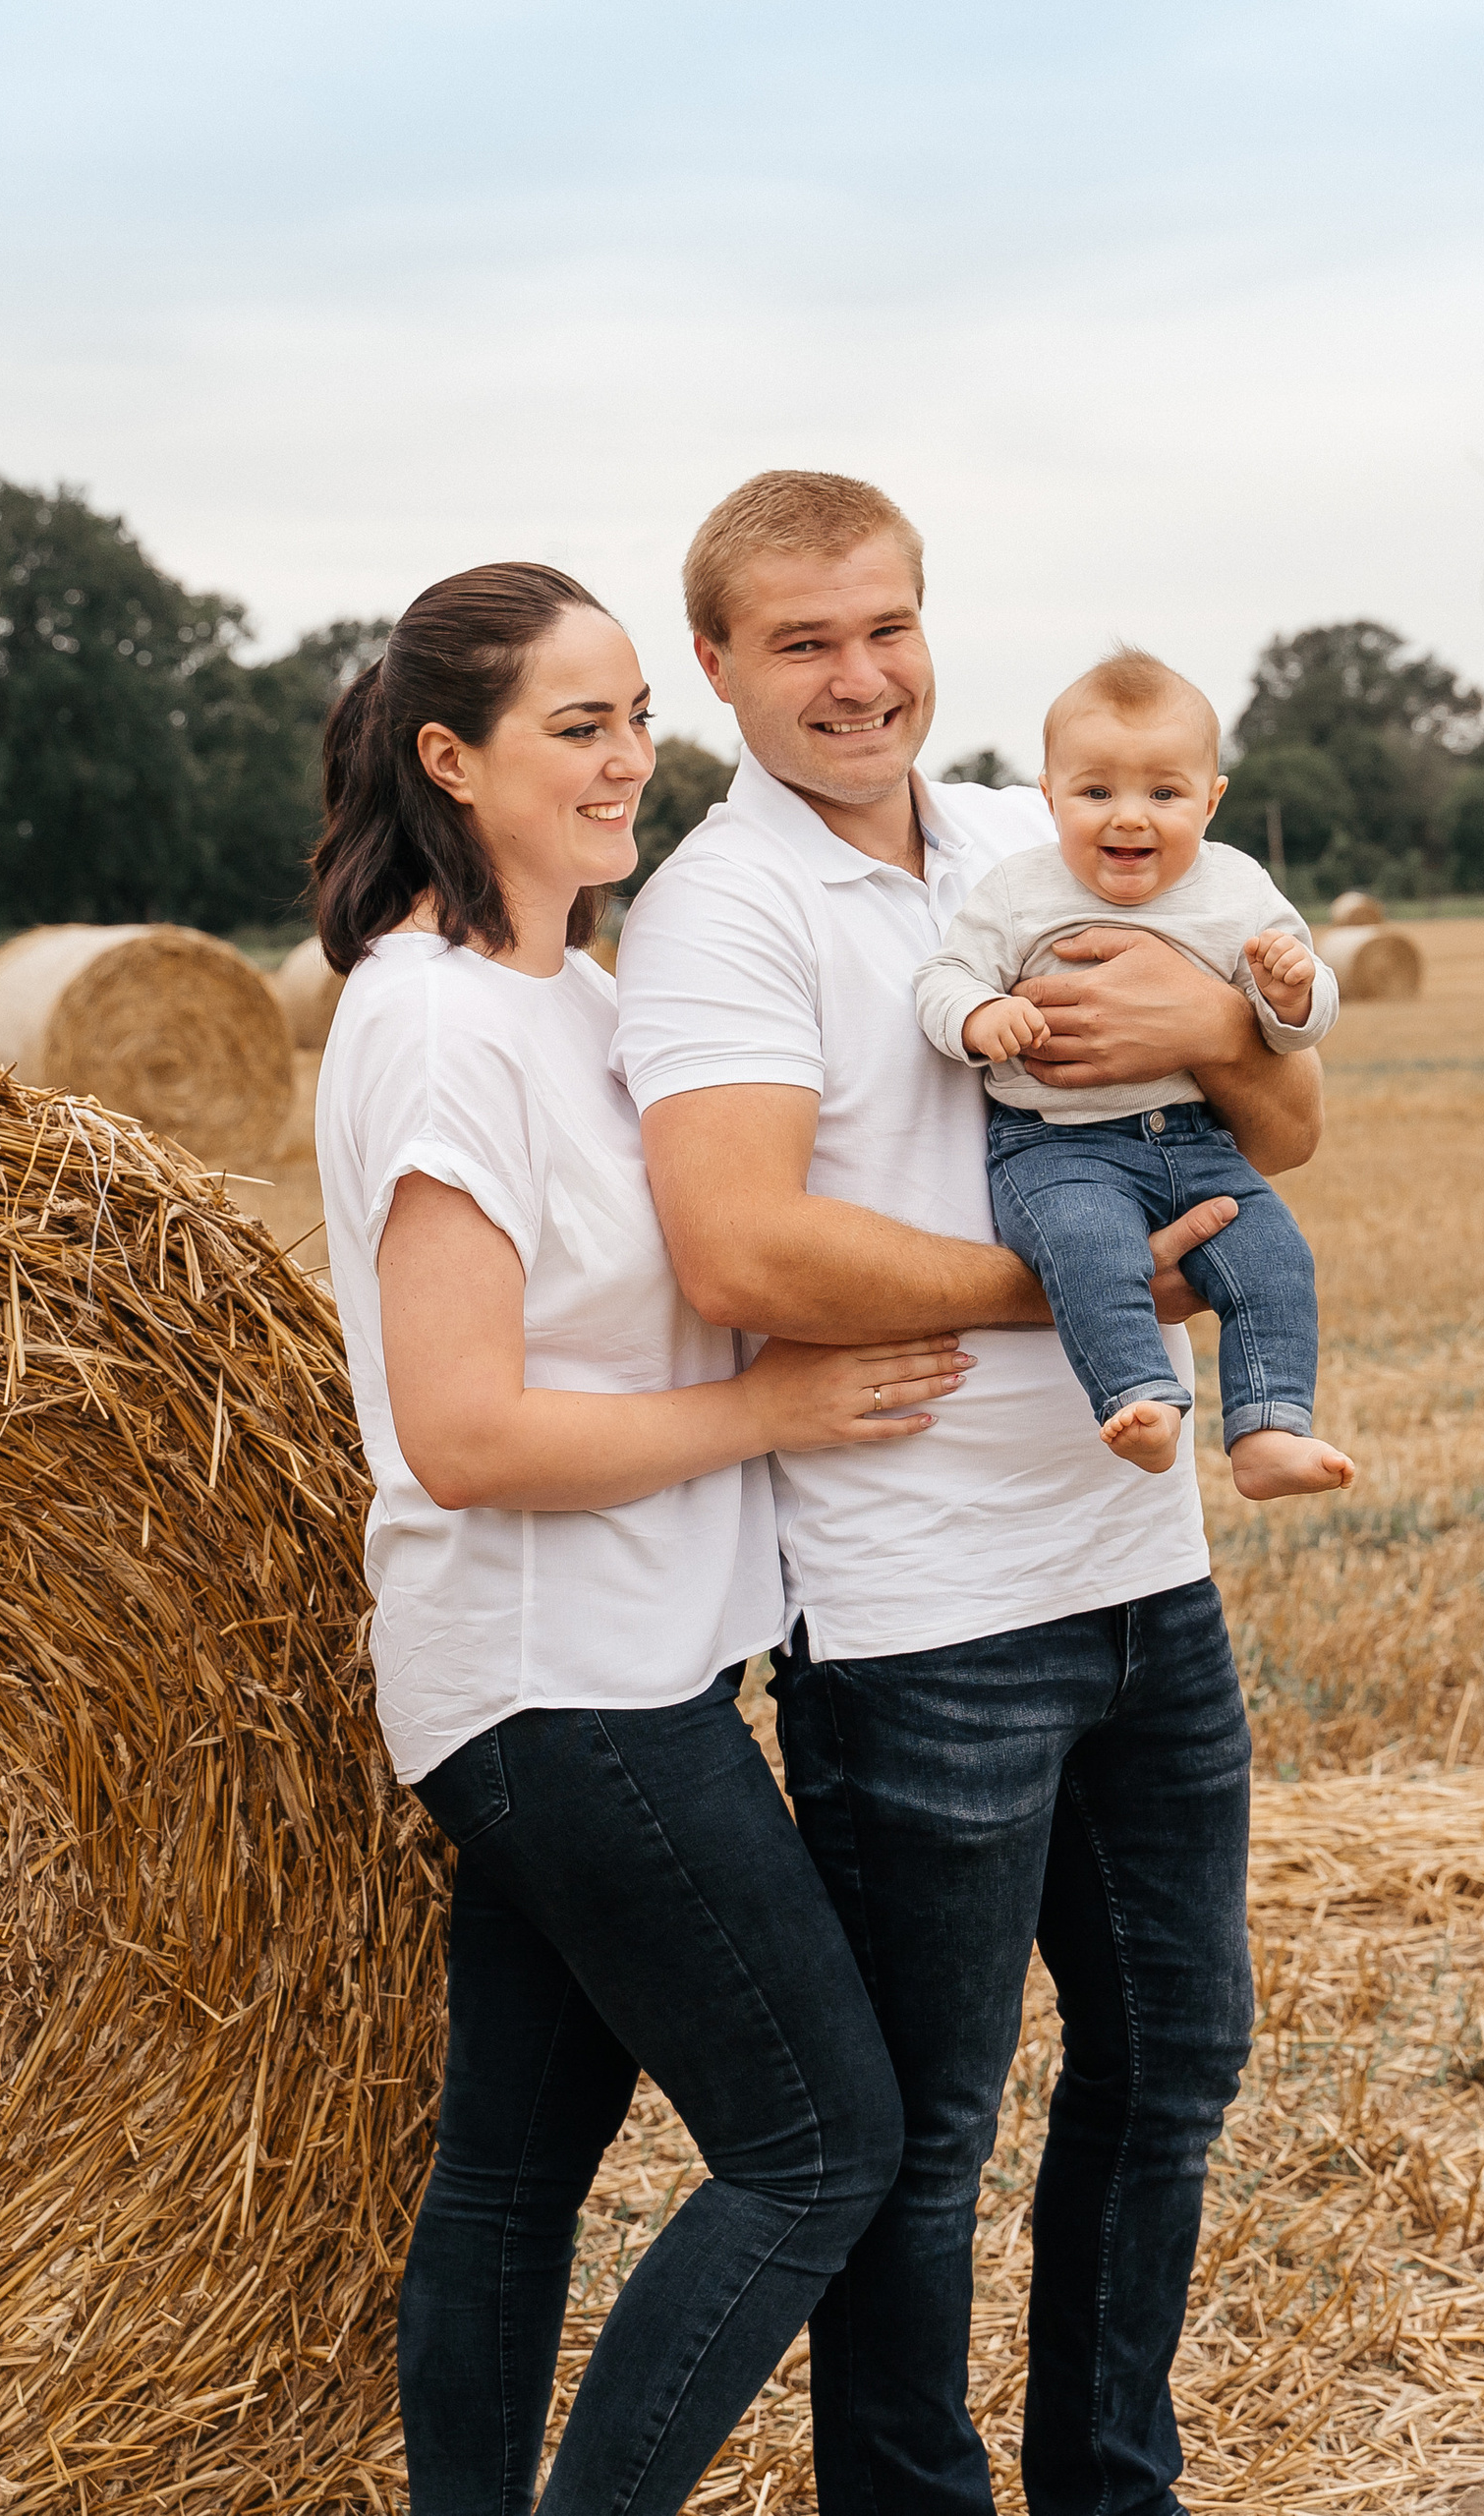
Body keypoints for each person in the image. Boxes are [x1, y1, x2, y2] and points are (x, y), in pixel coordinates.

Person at [611, 474, 1327, 2516]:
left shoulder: (1047, 830)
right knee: (926, 2133)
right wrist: (1087, 1290)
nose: (859, 676)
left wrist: (1218, 1024)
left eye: (885, 626)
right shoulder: (722, 910)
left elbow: (1275, 1124)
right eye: (803, 640)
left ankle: (1113, 2484)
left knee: (1168, 2066)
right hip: (916, 1609)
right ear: (719, 668)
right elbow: (738, 1251)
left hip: (1139, 1561)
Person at [309, 559, 973, 2516]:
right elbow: (463, 1427)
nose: (624, 762)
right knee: (820, 2141)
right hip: (559, 1680)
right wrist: (763, 1411)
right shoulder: (433, 1028)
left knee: (515, 2165)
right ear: (453, 757)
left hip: (616, 1655)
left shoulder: (577, 997)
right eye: (573, 726)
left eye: (632, 720)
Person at [915, 644, 1354, 1496]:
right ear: (1050, 796)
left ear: (1211, 799)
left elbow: (1296, 1030)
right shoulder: (1017, 892)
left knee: (1276, 1259)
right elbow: (943, 979)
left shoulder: (1238, 889)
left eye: (1163, 792)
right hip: (1058, 1147)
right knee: (1089, 1248)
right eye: (1095, 792)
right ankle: (1142, 1398)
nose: (1129, 817)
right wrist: (980, 1015)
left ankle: (1268, 1430)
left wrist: (1290, 996)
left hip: (1200, 1144)